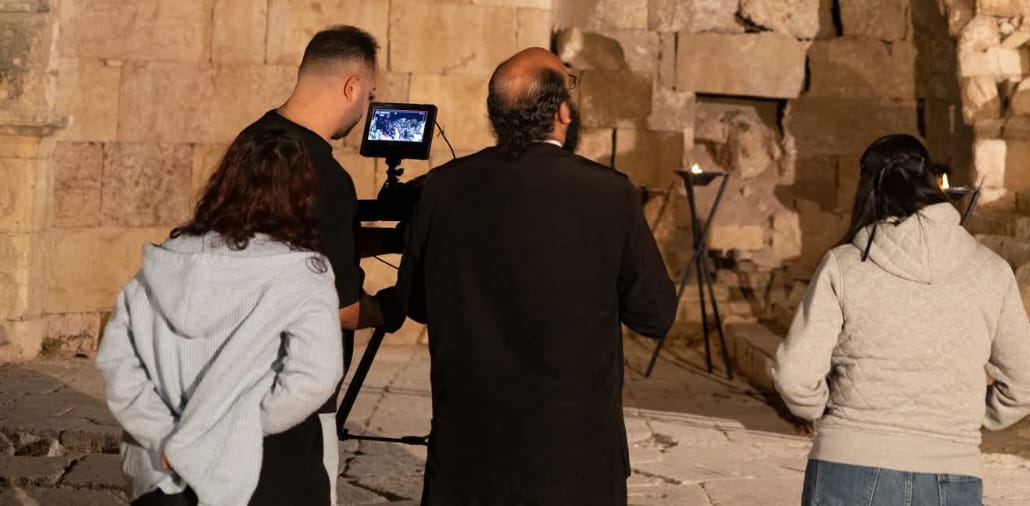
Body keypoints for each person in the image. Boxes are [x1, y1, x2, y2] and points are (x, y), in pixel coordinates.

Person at [385, 47, 677, 506]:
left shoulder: (441, 189)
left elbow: (416, 304)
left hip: (469, 463)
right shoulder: (608, 193)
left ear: (496, 116)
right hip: (574, 466)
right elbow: (655, 314)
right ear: (562, 112)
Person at [771, 134, 1030, 505]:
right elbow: (1027, 383)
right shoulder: (992, 271)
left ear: (867, 190)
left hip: (849, 462)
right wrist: (962, 419)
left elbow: (795, 375)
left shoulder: (845, 265)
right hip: (952, 469)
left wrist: (827, 412)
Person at [97, 128, 344, 506]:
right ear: (302, 194)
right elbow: (315, 375)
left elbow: (119, 364)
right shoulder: (301, 274)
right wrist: (228, 432)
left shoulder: (164, 261)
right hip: (264, 470)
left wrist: (162, 434)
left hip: (164, 472)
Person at [236, 25, 386, 494]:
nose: (365, 109)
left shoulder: (250, 144)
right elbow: (339, 311)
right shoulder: (327, 177)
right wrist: (392, 308)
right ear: (352, 86)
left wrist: (372, 241)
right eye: (369, 96)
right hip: (297, 404)